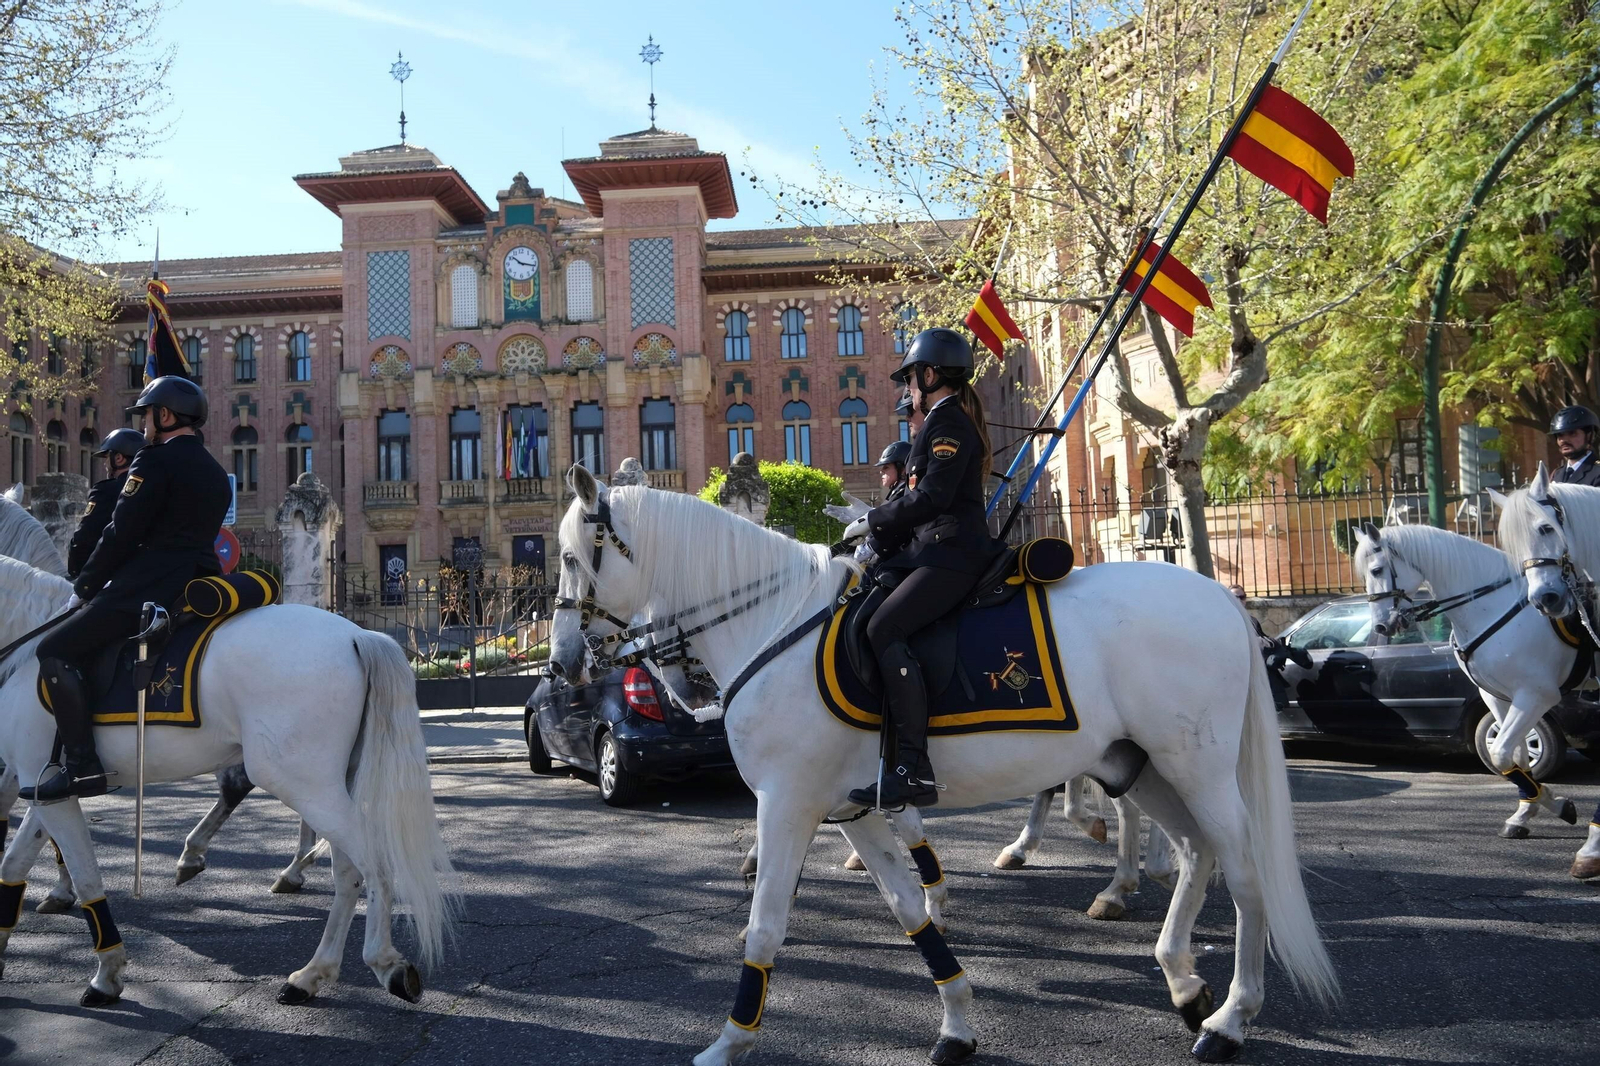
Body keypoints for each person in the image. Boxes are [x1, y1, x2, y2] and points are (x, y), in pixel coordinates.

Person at [22, 377, 232, 803]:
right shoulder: (214, 470)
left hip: (146, 587)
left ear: (165, 416)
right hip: (200, 583)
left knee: (54, 650)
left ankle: (81, 765)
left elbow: (120, 533)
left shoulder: (152, 462)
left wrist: (84, 586)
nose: (144, 423)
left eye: (146, 414)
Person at [842, 328, 1001, 808]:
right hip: (930, 550)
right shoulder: (938, 422)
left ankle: (912, 768)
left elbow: (931, 498)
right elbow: (916, 502)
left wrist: (873, 518)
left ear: (930, 375)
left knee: (885, 627)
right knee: (867, 609)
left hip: (953, 556)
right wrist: (873, 538)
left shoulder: (948, 422)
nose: (908, 388)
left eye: (911, 377)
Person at [67, 429, 145, 578]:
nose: (104, 463)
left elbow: (83, 539)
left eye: (107, 457)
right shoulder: (152, 487)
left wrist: (76, 573)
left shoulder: (106, 490)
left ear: (119, 458)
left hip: (108, 579)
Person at [1550, 406, 1600, 487]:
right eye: (1560, 435)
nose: (1563, 440)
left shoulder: (1597, 472)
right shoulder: (1556, 474)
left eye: (1572, 433)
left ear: (1589, 435)